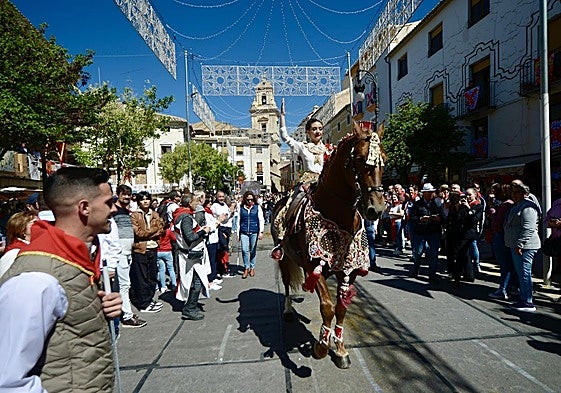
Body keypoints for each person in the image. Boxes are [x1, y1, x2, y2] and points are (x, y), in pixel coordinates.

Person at [0, 167, 123, 392]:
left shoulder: (74, 258)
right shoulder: (35, 279)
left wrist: (96, 310)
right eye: (108, 202)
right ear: (84, 207)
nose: (114, 209)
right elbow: (8, 381)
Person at [272, 99, 333, 259]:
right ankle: (282, 239)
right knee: (291, 204)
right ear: (308, 132)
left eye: (320, 129)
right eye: (314, 129)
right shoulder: (302, 147)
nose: (318, 132)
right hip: (308, 182)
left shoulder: (329, 149)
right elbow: (285, 136)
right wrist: (282, 116)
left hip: (326, 184)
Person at [173, 193, 214, 321]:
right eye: (196, 201)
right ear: (190, 202)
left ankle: (192, 305)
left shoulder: (184, 215)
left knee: (194, 281)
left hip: (189, 254)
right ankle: (189, 308)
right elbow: (190, 237)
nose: (198, 203)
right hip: (190, 256)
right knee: (196, 282)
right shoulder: (185, 218)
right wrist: (204, 231)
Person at [503, 181, 541, 312]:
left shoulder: (528, 207)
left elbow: (529, 228)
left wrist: (520, 244)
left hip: (526, 246)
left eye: (517, 192)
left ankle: (528, 301)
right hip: (516, 245)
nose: (514, 195)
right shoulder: (517, 206)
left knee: (525, 273)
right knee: (521, 273)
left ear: (525, 194)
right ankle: (523, 297)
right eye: (512, 192)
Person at [113, 184, 146, 327]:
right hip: (119, 253)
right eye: (124, 194)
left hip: (127, 253)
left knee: (122, 284)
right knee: (124, 285)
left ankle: (122, 312)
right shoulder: (113, 211)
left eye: (128, 194)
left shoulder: (126, 211)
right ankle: (127, 315)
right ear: (118, 194)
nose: (126, 197)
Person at [130, 191, 164, 313]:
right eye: (142, 199)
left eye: (147, 199)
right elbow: (138, 233)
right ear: (138, 201)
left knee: (152, 277)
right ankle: (143, 303)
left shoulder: (154, 214)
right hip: (140, 249)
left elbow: (161, 229)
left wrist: (150, 232)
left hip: (153, 248)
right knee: (141, 278)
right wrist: (152, 231)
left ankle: (149, 299)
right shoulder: (135, 215)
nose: (145, 201)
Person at [408, 183, 444, 285]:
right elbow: (412, 218)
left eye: (432, 192)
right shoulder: (417, 204)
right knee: (418, 253)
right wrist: (421, 219)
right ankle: (415, 270)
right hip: (421, 232)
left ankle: (432, 275)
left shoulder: (437, 203)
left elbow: (443, 218)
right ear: (424, 193)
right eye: (428, 192)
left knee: (434, 254)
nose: (430, 194)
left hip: (434, 232)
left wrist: (438, 219)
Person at [488, 183, 516, 300]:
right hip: (503, 237)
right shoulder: (508, 204)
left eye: (496, 192)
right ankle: (510, 287)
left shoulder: (506, 205)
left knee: (505, 264)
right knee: (507, 264)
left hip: (501, 237)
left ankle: (503, 288)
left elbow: (498, 223)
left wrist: (492, 210)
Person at [0, 210, 37, 277]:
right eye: (35, 223)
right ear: (22, 230)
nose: (42, 225)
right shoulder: (13, 254)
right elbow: (4, 280)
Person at [237, 191, 264, 279]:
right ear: (245, 199)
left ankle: (252, 267)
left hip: (254, 231)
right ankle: (246, 267)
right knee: (245, 250)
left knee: (253, 250)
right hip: (244, 231)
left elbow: (261, 220)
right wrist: (238, 233)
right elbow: (238, 221)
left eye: (251, 199)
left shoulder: (257, 208)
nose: (250, 201)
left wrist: (261, 232)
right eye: (248, 199)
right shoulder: (241, 208)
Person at [211, 191, 235, 277]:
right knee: (222, 248)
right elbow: (223, 218)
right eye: (219, 197)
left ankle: (224, 267)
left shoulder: (224, 204)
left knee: (225, 248)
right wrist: (230, 212)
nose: (221, 198)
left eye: (222, 196)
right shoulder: (215, 206)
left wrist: (231, 212)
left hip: (227, 228)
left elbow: (228, 216)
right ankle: (222, 269)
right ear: (216, 197)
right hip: (220, 228)